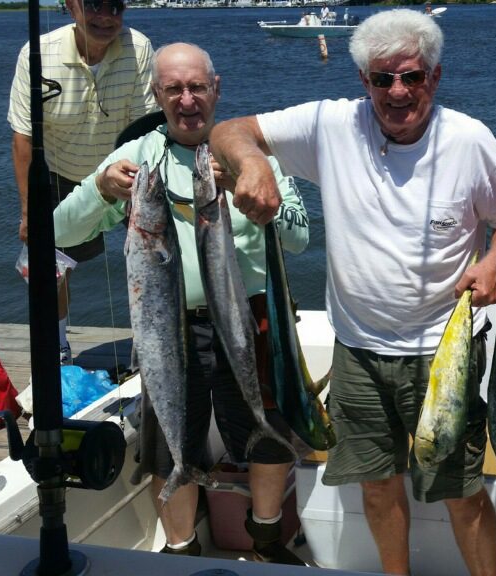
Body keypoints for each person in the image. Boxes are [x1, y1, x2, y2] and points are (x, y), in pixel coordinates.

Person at [209, 10, 496, 576]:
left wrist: (494, 258)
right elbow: (228, 131)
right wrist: (252, 162)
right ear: (364, 82)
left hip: (442, 351)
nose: (398, 91)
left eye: (412, 77)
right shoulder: (332, 124)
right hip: (357, 351)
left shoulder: (470, 141)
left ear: (435, 78)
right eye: (383, 79)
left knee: (461, 493)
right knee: (377, 486)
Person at [51, 43, 311, 564]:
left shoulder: (250, 151)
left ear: (217, 89)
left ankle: (266, 539)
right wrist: (101, 190)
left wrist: (260, 198)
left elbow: (301, 237)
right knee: (170, 443)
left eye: (197, 87)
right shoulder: (138, 156)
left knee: (268, 434)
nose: (187, 100)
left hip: (252, 317)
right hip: (166, 326)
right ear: (158, 94)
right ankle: (181, 547)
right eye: (174, 89)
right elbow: (59, 230)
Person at [8, 0, 158, 366]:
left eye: (116, 6)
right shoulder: (37, 54)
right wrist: (29, 211)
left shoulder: (139, 47)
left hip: (127, 171)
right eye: (93, 5)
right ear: (70, 5)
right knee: (48, 267)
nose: (106, 17)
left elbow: (146, 129)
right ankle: (57, 346)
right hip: (61, 174)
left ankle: (153, 344)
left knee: (156, 259)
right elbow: (23, 138)